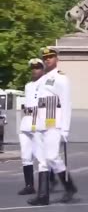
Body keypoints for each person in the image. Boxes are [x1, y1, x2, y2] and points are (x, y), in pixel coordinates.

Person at [28, 48, 77, 206]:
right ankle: (43, 196)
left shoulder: (61, 78)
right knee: (42, 160)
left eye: (50, 57)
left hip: (54, 123)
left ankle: (69, 186)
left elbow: (66, 103)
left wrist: (65, 129)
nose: (47, 59)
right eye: (45, 57)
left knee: (52, 157)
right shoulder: (42, 80)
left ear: (56, 58)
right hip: (41, 123)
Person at [18, 59, 44, 196]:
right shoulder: (28, 85)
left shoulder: (46, 84)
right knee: (25, 156)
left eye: (38, 68)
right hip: (26, 121)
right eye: (33, 68)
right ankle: (29, 185)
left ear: (43, 69)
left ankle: (43, 186)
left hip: (39, 122)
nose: (34, 70)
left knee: (40, 157)